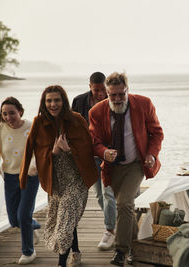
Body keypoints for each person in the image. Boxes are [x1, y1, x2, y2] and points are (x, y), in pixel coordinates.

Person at [89, 72, 164, 266]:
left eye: (121, 94)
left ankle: (120, 251)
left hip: (136, 164)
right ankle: (135, 248)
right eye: (112, 95)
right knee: (127, 209)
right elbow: (94, 141)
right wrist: (104, 152)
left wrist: (151, 154)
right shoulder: (96, 112)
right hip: (112, 168)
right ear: (106, 93)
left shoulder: (144, 104)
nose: (117, 99)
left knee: (123, 203)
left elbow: (157, 133)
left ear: (127, 90)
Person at [20, 85, 98, 267]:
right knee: (67, 218)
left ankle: (61, 264)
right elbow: (30, 150)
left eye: (57, 100)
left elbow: (88, 151)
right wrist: (52, 153)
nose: (53, 104)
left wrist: (68, 150)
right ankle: (76, 252)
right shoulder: (38, 123)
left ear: (64, 101)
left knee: (63, 225)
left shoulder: (77, 120)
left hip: (76, 181)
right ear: (44, 103)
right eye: (49, 101)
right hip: (55, 184)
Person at [0, 97, 40, 265]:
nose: (8, 117)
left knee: (23, 214)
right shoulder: (0, 129)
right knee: (13, 219)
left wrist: (33, 168)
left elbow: (38, 152)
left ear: (20, 112)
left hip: (29, 175)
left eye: (12, 113)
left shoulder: (31, 127)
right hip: (10, 176)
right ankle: (31, 226)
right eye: (4, 114)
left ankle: (28, 252)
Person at [72, 71, 117, 250]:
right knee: (100, 196)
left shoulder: (113, 99)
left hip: (108, 155)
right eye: (96, 90)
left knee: (108, 194)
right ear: (89, 86)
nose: (100, 94)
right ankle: (116, 222)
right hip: (88, 156)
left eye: (102, 90)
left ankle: (110, 231)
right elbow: (72, 126)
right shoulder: (79, 101)